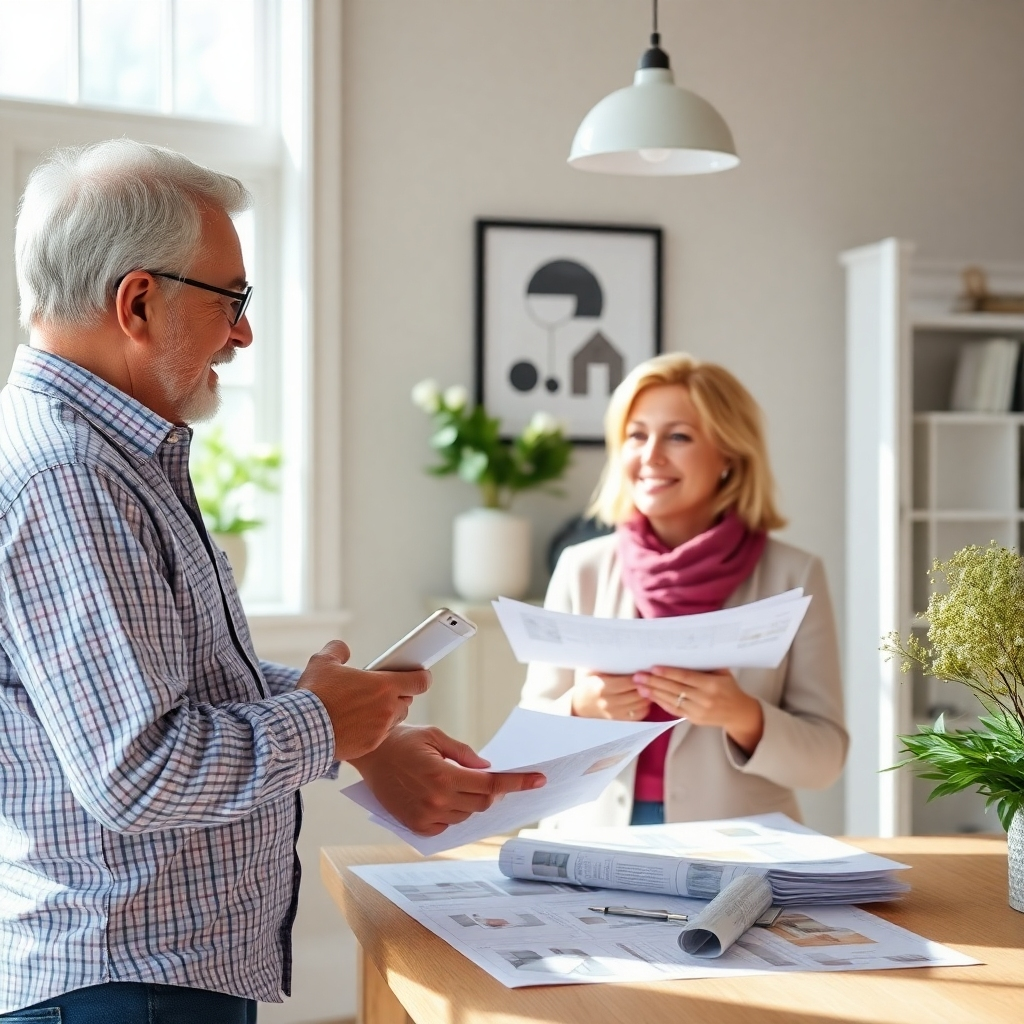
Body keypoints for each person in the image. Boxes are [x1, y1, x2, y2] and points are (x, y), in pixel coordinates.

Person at [0, 139, 543, 1022]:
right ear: (137, 301)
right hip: (127, 988)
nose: (243, 332)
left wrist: (361, 729)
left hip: (147, 977)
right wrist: (327, 722)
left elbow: (170, 693)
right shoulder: (71, 478)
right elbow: (137, 773)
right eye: (231, 300)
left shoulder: (110, 457)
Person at [520, 352, 846, 828]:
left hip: (740, 852)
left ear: (728, 455)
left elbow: (826, 760)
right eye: (636, 435)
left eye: (678, 436)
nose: (650, 456)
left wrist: (744, 716)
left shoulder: (793, 575)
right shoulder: (580, 568)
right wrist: (581, 707)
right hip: (592, 845)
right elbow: (528, 749)